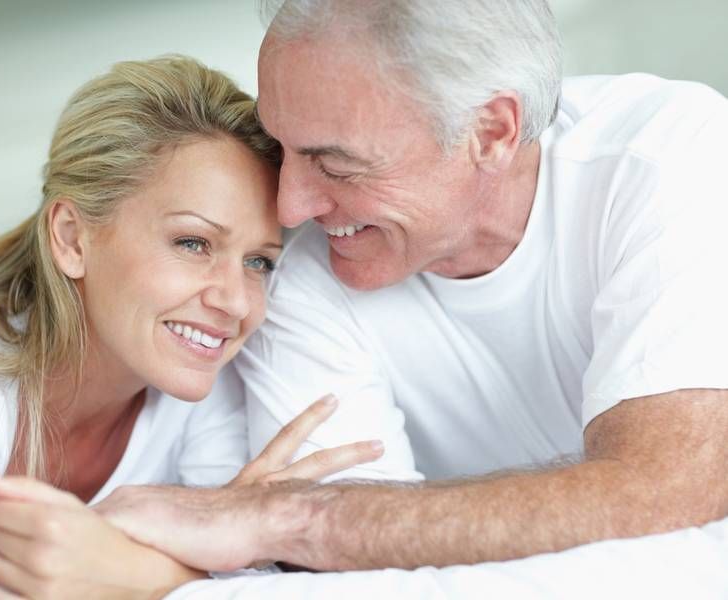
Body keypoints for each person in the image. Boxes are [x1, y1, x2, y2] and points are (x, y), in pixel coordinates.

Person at [82, 1, 728, 598]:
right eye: (283, 150)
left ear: (491, 132)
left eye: (335, 163)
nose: (289, 206)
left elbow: (666, 488)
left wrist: (286, 517)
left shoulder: (665, 160)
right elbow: (368, 584)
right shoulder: (299, 276)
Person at [0, 55, 383, 600]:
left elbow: (259, 587)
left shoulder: (196, 385)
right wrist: (176, 558)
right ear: (71, 238)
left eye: (258, 261)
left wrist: (161, 566)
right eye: (192, 243)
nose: (236, 301)